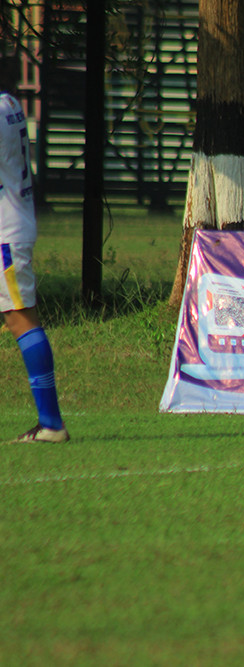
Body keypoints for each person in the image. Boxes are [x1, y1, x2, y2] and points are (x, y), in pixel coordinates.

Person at [1, 54, 69, 443]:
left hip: (5, 234)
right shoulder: (9, 104)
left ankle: (52, 424)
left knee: (20, 318)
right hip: (13, 224)